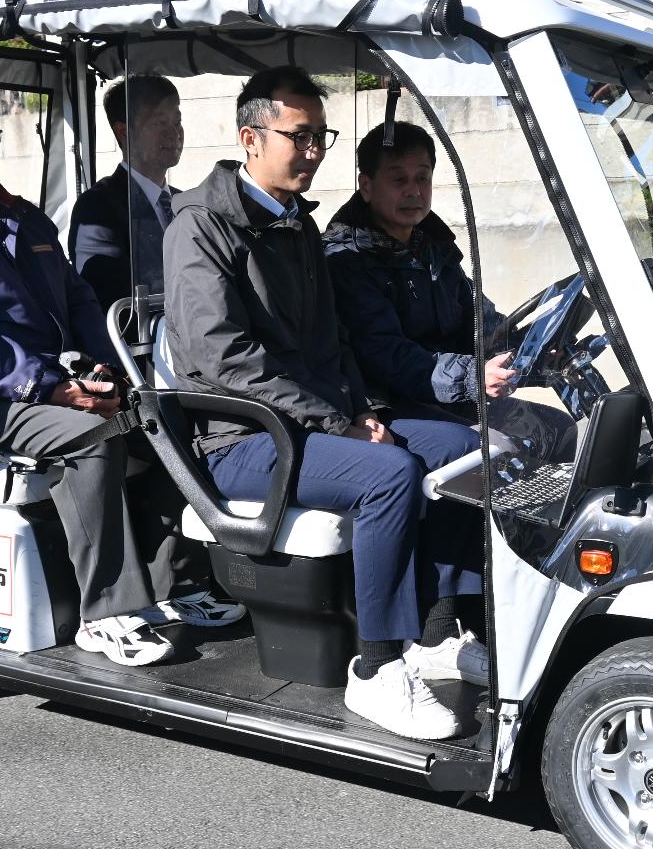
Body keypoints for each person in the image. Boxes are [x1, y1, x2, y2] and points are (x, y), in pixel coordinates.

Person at [162, 68, 485, 741]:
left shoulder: (294, 223)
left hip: (305, 424)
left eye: (319, 137)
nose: (312, 151)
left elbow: (333, 341)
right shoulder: (200, 226)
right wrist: (335, 419)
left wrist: (359, 409)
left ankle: (436, 628)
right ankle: (376, 667)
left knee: (461, 448)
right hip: (238, 439)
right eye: (298, 136)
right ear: (251, 138)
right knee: (390, 475)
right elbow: (225, 357)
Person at [0, 80, 242, 666]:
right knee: (93, 438)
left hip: (48, 381)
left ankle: (172, 585)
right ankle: (106, 611)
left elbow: (77, 302)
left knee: (157, 414)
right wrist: (54, 388)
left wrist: (108, 368)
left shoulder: (21, 216)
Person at [323, 120, 572, 459]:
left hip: (446, 392)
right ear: (366, 186)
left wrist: (526, 348)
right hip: (388, 404)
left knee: (558, 429)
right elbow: (387, 357)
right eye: (399, 180)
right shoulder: (346, 261)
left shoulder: (431, 248)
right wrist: (473, 377)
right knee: (496, 453)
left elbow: (480, 321)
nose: (413, 191)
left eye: (422, 178)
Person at [72, 75, 183, 306]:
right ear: (123, 132)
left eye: (176, 122)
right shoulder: (98, 208)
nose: (174, 133)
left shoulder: (185, 202)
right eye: (159, 123)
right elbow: (111, 301)